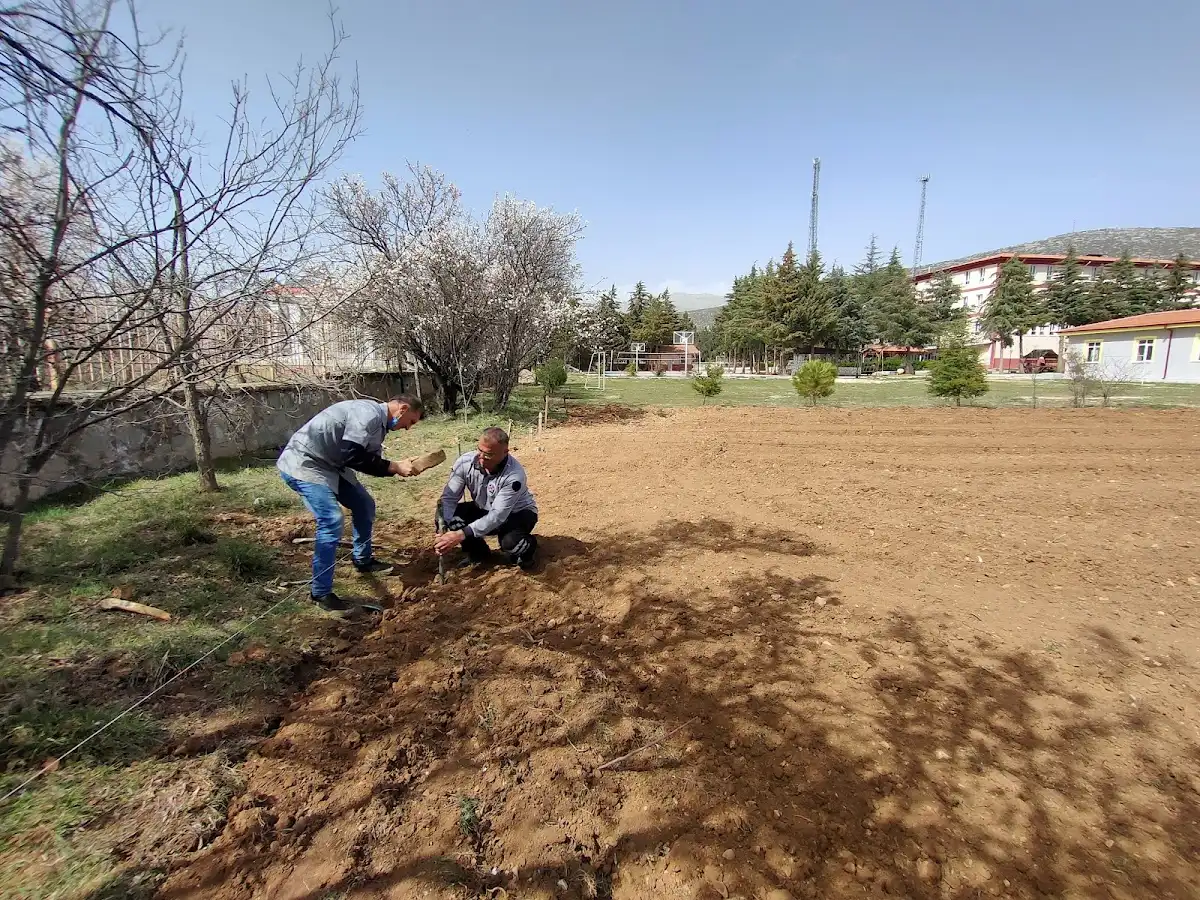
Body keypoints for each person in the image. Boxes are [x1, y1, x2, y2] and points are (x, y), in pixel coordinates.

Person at [278, 395, 424, 615]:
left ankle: (363, 560)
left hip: (331, 465)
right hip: (304, 462)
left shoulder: (380, 425)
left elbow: (371, 463)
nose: (408, 429)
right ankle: (321, 593)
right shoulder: (367, 413)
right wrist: (394, 466)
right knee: (331, 520)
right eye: (411, 422)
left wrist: (399, 467)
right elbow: (353, 455)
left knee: (364, 504)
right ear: (402, 409)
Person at [434, 427, 539, 570]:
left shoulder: (514, 476)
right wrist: (443, 528)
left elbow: (497, 516)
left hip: (516, 513)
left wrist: (460, 535)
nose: (481, 458)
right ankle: (478, 553)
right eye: (479, 450)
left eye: (488, 454)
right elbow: (449, 498)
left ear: (505, 453)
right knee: (452, 517)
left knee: (510, 544)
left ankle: (527, 551)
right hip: (484, 508)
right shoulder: (465, 462)